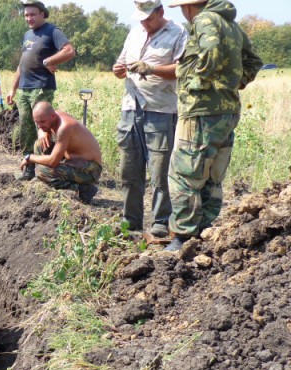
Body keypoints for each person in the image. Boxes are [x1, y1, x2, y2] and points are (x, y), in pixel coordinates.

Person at [165, 0, 262, 251]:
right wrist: (233, 83)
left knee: (186, 174)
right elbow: (253, 61)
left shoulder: (204, 19)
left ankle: (182, 238)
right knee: (212, 174)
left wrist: (198, 83)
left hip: (201, 111)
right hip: (227, 110)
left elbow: (211, 49)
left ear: (190, 7)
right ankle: (204, 232)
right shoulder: (233, 25)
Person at [112, 0, 188, 237]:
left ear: (161, 12)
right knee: (129, 170)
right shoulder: (135, 33)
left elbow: (182, 69)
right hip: (130, 108)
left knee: (160, 171)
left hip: (161, 110)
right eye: (141, 18)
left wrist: (151, 68)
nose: (144, 22)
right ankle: (131, 220)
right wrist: (118, 69)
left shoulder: (178, 33)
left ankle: (161, 222)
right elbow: (122, 62)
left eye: (149, 17)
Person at [6, 1, 76, 181]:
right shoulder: (27, 35)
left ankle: (49, 170)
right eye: (26, 15)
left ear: (42, 14)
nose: (29, 18)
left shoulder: (52, 31)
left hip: (41, 87)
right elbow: (21, 65)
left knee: (43, 129)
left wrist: (49, 61)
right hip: (24, 89)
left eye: (33, 14)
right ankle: (29, 169)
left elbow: (69, 50)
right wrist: (13, 89)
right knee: (26, 129)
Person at [19, 101, 102, 203]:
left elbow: (53, 161)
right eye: (37, 122)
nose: (39, 125)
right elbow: (42, 129)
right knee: (39, 144)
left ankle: (83, 189)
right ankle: (31, 175)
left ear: (52, 116)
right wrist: (42, 133)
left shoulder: (65, 127)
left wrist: (29, 158)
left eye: (42, 122)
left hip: (89, 169)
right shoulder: (52, 116)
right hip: (71, 160)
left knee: (42, 171)